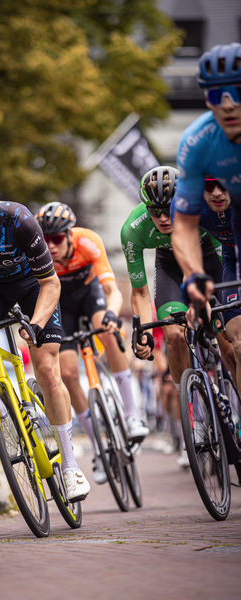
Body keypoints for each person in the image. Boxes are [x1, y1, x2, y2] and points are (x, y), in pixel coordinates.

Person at [0, 163, 90, 502]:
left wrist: (36, 323)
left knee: (49, 369)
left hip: (33, 288)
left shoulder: (19, 220)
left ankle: (69, 467)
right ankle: (5, 415)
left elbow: (51, 283)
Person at [35, 202, 148, 485]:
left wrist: (111, 312)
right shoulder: (37, 252)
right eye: (46, 240)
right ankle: (99, 450)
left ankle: (132, 415)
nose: (51, 246)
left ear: (70, 234)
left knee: (106, 331)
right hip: (61, 305)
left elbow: (112, 290)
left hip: (89, 294)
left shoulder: (88, 241)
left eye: (57, 239)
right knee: (69, 374)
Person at [121, 166, 224, 467]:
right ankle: (190, 420)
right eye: (156, 211)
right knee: (173, 332)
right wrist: (141, 331)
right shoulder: (134, 229)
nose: (164, 217)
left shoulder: (203, 210)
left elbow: (226, 262)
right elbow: (139, 293)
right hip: (169, 264)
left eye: (170, 209)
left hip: (207, 255)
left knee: (226, 332)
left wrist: (204, 301)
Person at [171, 43, 241, 391]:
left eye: (237, 91)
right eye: (217, 94)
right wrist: (194, 275)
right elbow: (182, 224)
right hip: (235, 241)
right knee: (239, 342)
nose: (228, 103)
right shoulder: (197, 142)